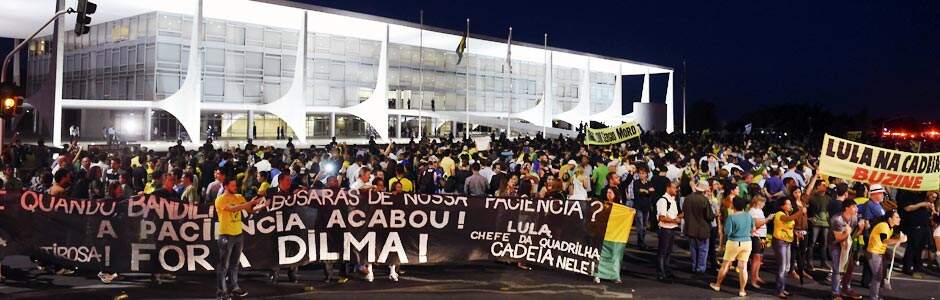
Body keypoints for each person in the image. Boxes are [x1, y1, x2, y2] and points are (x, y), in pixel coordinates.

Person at [215, 178, 263, 299]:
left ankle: (234, 288)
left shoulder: (239, 197)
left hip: (238, 235)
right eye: (232, 185)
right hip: (226, 235)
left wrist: (261, 205)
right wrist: (251, 202)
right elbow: (233, 209)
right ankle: (222, 292)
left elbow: (249, 210)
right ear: (225, 186)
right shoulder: (220, 199)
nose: (235, 187)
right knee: (224, 265)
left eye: (235, 185)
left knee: (235, 264)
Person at [710, 196, 754, 297]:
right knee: (743, 267)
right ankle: (742, 290)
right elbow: (752, 229)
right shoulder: (748, 216)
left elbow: (727, 232)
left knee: (725, 264)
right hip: (747, 242)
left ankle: (717, 285)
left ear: (733, 205)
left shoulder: (731, 217)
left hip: (734, 242)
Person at [867, 210, 906, 300]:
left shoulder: (890, 228)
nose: (899, 219)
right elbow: (884, 240)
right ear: (890, 219)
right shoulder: (884, 226)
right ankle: (874, 297)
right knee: (877, 276)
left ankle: (876, 295)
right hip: (874, 253)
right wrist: (898, 240)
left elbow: (887, 241)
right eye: (897, 217)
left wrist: (898, 240)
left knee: (879, 276)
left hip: (879, 253)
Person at [773, 195, 806, 299]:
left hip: (787, 242)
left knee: (787, 267)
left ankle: (782, 288)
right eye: (788, 204)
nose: (790, 205)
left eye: (790, 204)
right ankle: (779, 290)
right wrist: (800, 212)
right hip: (780, 242)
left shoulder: (788, 214)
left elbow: (789, 227)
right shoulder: (779, 214)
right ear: (782, 206)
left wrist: (796, 234)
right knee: (782, 267)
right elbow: (788, 219)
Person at [829, 199, 862, 300]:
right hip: (835, 244)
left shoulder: (854, 218)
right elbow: (838, 238)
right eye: (854, 207)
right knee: (838, 269)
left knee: (849, 267)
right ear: (847, 208)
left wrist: (860, 229)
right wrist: (847, 233)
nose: (856, 209)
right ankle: (835, 293)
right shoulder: (837, 219)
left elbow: (853, 236)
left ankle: (846, 289)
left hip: (847, 243)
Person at [899, 190, 934, 278]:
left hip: (924, 225)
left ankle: (917, 266)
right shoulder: (906, 194)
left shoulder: (922, 194)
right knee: (912, 247)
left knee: (920, 247)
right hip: (914, 225)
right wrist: (922, 204)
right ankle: (907, 267)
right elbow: (907, 208)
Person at [683, 179, 715, 274]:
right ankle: (700, 268)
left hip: (690, 227)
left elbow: (684, 211)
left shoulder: (688, 198)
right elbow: (709, 216)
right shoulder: (704, 200)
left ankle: (694, 266)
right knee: (703, 249)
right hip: (702, 229)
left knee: (693, 249)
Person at [656, 181, 682, 282]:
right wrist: (675, 220)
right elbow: (661, 218)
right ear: (668, 188)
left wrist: (679, 217)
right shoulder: (663, 201)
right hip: (665, 229)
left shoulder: (673, 200)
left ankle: (666, 271)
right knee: (663, 252)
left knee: (668, 252)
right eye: (675, 188)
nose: (676, 190)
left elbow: (673, 215)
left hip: (671, 229)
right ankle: (661, 274)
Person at [748, 195, 773, 289]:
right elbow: (756, 224)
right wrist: (768, 219)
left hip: (761, 236)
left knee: (760, 258)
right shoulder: (753, 211)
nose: (764, 204)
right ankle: (753, 279)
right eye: (763, 202)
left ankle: (756, 276)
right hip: (756, 237)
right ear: (758, 202)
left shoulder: (760, 211)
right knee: (756, 258)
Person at [632, 166, 654, 249]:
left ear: (646, 174)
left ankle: (641, 241)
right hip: (638, 206)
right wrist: (646, 191)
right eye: (640, 173)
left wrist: (644, 191)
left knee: (644, 226)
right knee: (640, 225)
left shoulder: (649, 183)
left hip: (646, 206)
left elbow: (652, 192)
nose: (641, 175)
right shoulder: (636, 182)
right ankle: (641, 243)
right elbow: (637, 192)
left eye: (643, 173)